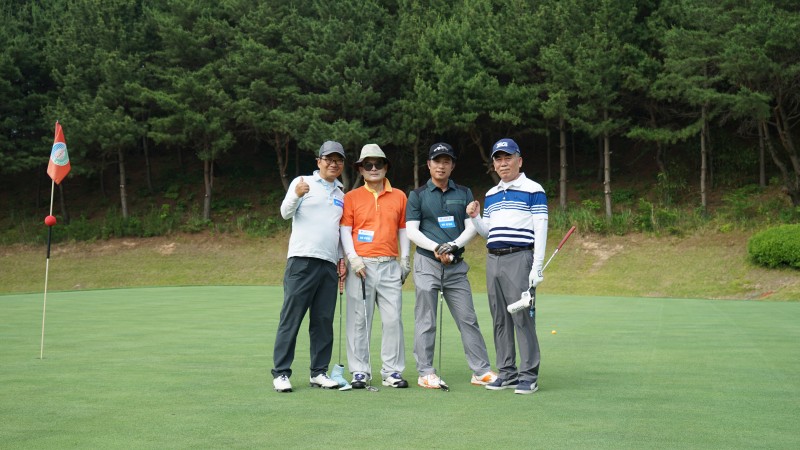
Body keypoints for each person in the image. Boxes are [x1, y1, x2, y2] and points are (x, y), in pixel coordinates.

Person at [405, 142, 497, 389]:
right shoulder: (417, 195)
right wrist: (437, 247)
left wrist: (453, 246)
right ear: (429, 164)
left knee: (468, 318)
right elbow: (412, 231)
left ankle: (480, 371)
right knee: (426, 320)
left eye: (446, 161)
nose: (441, 166)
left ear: (452, 165)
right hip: (427, 263)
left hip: (455, 266)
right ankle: (425, 372)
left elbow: (471, 226)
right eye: (437, 161)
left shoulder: (464, 193)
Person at [466, 138, 548, 395]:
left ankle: (528, 375)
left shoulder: (533, 189)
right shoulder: (491, 194)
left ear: (519, 161)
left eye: (508, 158)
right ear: (494, 164)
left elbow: (541, 230)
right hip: (494, 259)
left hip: (519, 258)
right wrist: (475, 218)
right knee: (499, 317)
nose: (503, 163)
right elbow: (487, 232)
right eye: (498, 159)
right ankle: (507, 373)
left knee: (522, 317)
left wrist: (537, 266)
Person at [271, 141, 348, 393]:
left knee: (323, 321)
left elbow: (337, 231)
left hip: (328, 264)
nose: (333, 164)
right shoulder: (303, 182)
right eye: (329, 159)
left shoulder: (341, 194)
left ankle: (319, 372)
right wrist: (296, 194)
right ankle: (281, 373)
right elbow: (285, 213)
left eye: (338, 160)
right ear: (319, 161)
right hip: (302, 260)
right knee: (291, 318)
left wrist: (341, 259)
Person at [340, 144, 411, 389]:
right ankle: (360, 371)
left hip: (390, 265)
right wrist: (353, 258)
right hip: (361, 267)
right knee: (359, 320)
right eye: (367, 165)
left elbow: (403, 229)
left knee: (393, 320)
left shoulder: (399, 196)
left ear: (385, 167)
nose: (373, 169)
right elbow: (345, 230)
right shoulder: (351, 197)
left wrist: (405, 260)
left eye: (378, 164)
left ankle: (392, 371)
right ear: (360, 169)